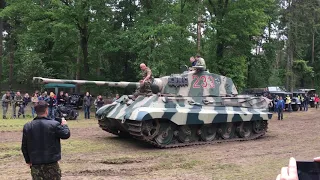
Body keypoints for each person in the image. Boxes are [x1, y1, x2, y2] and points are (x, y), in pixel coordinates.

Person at [21, 100, 70, 180]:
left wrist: (28, 160)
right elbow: (66, 135)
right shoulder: (54, 124)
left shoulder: (28, 126)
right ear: (47, 110)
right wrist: (64, 125)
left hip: (36, 163)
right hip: (51, 162)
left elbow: (24, 146)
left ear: (35, 111)